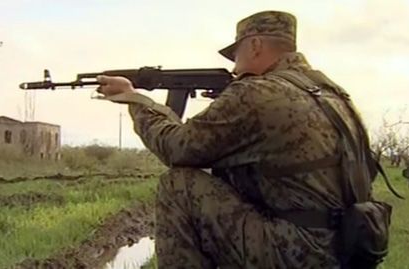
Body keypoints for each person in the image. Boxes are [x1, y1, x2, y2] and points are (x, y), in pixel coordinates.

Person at [97, 11, 376, 268]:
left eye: (236, 53)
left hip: (301, 251)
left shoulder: (258, 92)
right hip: (349, 244)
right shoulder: (332, 92)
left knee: (178, 184)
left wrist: (135, 100)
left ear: (255, 45)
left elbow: (178, 148)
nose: (233, 66)